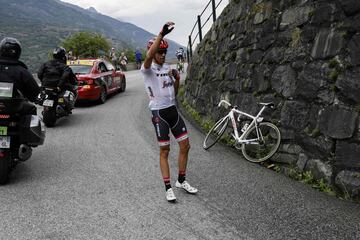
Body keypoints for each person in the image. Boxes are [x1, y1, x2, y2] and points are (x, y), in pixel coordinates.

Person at [141, 22, 198, 203]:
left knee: (185, 146)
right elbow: (149, 55)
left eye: (165, 52)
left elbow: (174, 93)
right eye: (160, 52)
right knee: (165, 150)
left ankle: (181, 180)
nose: (163, 55)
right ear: (154, 51)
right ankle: (168, 187)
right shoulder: (147, 69)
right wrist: (161, 34)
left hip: (172, 110)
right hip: (159, 114)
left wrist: (177, 79)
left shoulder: (167, 69)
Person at [0, 37, 40, 115]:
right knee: (31, 109)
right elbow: (34, 91)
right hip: (14, 108)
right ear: (18, 53)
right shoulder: (22, 71)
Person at [37, 47, 77, 112]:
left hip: (46, 86)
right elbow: (66, 76)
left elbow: (39, 74)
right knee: (73, 90)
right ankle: (69, 107)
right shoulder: (65, 66)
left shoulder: (45, 64)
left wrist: (43, 81)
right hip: (59, 87)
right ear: (63, 56)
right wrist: (74, 82)